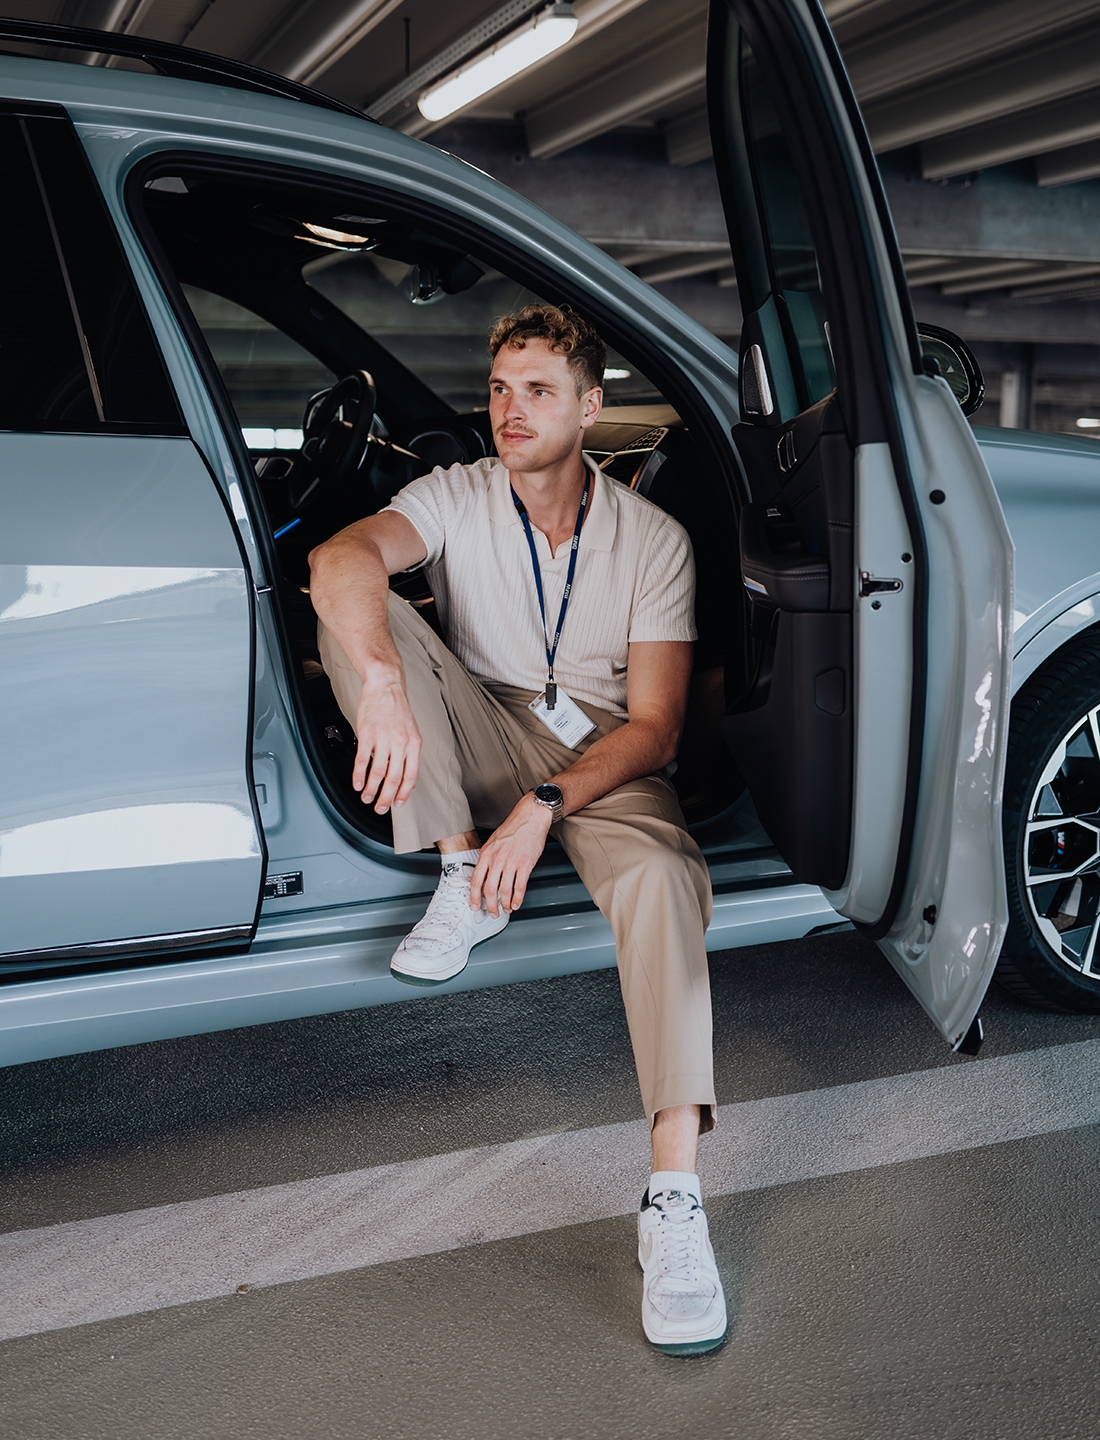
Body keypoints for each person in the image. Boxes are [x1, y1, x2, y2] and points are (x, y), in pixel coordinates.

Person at [308, 303, 726, 1355]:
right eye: (498, 387)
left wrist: (542, 811)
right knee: (357, 610)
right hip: (479, 726)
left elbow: (659, 726)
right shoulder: (452, 494)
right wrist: (390, 685)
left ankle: (672, 1199)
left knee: (664, 885)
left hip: (597, 757)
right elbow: (342, 558)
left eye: (537, 389)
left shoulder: (652, 540)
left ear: (590, 407)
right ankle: (457, 870)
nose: (509, 408)